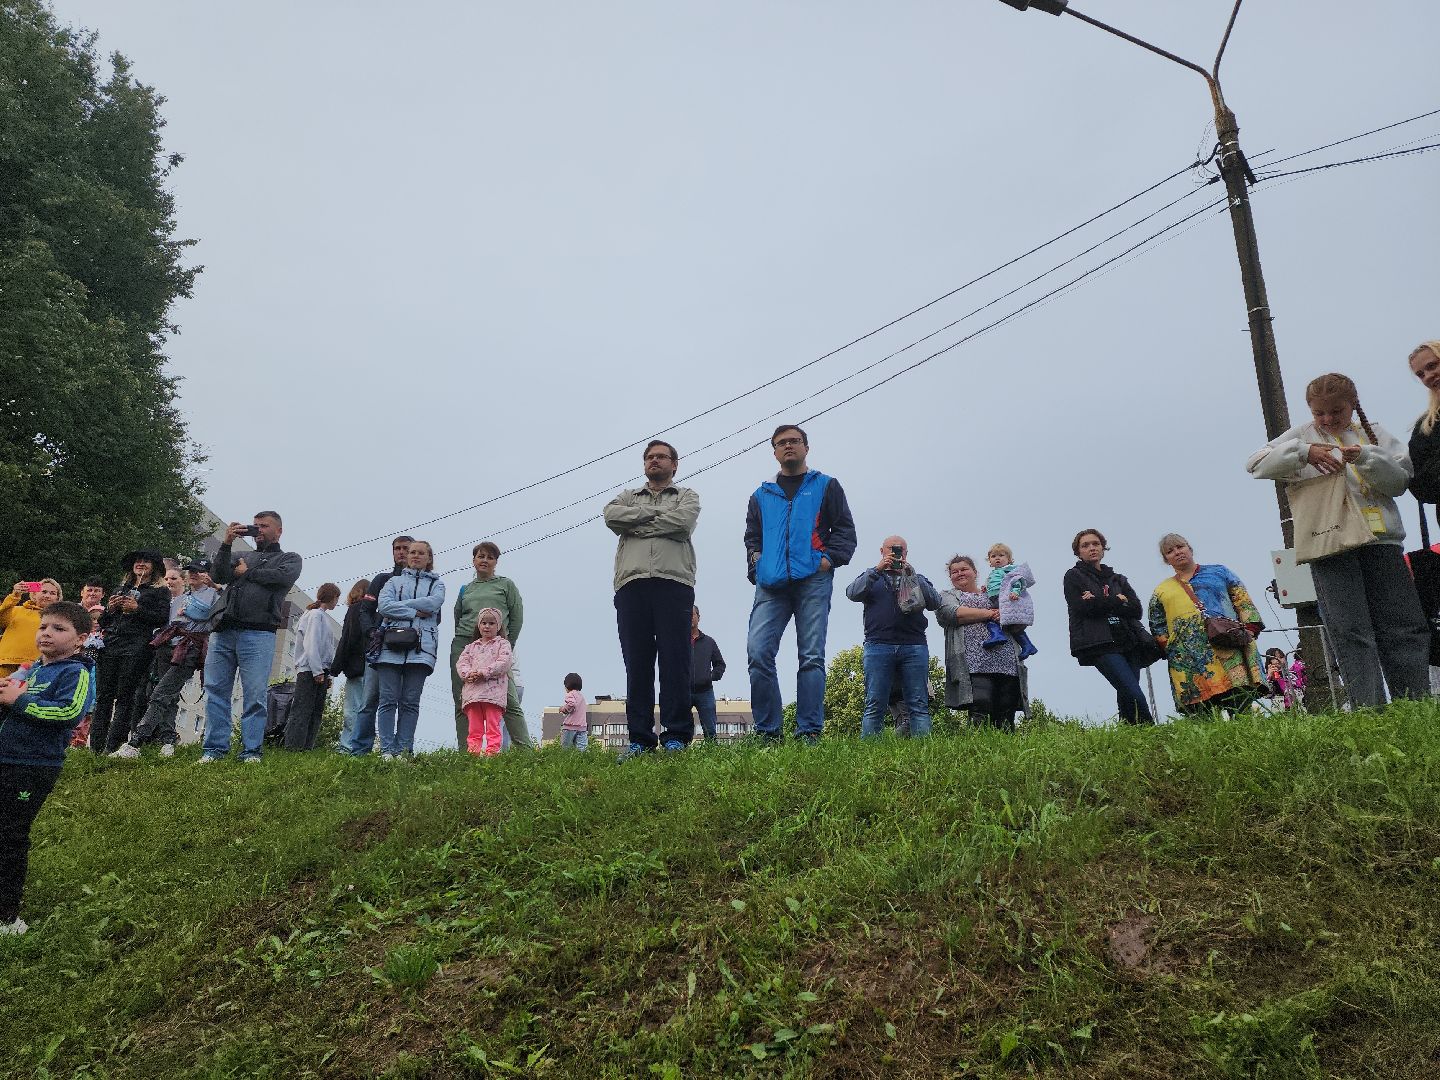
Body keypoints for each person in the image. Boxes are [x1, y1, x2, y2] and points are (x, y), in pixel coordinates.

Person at [1247, 372, 1429, 708]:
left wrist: (1366, 457)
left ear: (1352, 406)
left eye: (1337, 412)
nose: (1328, 419)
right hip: (1330, 544)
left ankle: (1413, 705)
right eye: (1319, 413)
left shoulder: (1373, 435)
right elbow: (1255, 464)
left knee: (1402, 626)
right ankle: (1369, 709)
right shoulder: (1301, 437)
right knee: (1350, 631)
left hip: (1382, 542)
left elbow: (1400, 482)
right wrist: (1304, 452)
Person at [744, 424, 857, 744]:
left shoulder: (826, 486)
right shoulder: (761, 494)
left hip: (813, 581)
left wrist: (828, 560)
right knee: (758, 651)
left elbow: (845, 531)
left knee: (810, 656)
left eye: (794, 441)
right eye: (782, 443)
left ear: (806, 447)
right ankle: (769, 733)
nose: (788, 446)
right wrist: (758, 567)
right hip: (770, 585)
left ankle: (809, 731)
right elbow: (752, 537)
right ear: (775, 452)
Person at [0, 601, 95, 935]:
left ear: (81, 638)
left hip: (33, 766)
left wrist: (19, 701)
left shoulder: (76, 672)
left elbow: (69, 713)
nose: (47, 634)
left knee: (11, 835)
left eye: (59, 629)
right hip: (5, 758)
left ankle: (8, 917)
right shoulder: (34, 669)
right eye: (43, 626)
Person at [603, 440, 700, 758]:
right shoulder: (627, 496)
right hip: (632, 586)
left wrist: (637, 523)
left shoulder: (687, 496)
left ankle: (677, 736)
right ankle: (640, 739)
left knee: (676, 661)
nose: (654, 460)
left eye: (661, 456)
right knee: (638, 663)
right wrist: (657, 517)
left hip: (674, 584)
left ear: (675, 464)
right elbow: (611, 516)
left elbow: (683, 522)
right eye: (649, 457)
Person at [199, 512, 303, 764]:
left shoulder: (289, 558)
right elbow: (218, 575)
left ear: (279, 530)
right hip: (224, 631)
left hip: (259, 633)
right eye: (255, 526)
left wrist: (247, 572)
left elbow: (281, 577)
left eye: (264, 526)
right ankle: (214, 749)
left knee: (255, 695)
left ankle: (251, 751)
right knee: (215, 690)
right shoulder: (239, 554)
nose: (258, 530)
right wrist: (226, 543)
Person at [111, 559, 218, 758]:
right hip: (168, 646)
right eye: (191, 571)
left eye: (199, 571)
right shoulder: (180, 598)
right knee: (168, 695)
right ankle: (167, 740)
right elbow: (167, 620)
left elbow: (208, 617)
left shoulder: (215, 595)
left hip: (190, 648)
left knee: (161, 693)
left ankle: (136, 741)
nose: (194, 574)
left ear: (208, 575)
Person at [1147, 533, 1263, 715]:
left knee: (1240, 704)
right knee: (1202, 714)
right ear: (1166, 560)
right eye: (1170, 551)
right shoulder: (1161, 590)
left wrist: (1250, 628)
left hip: (1228, 647)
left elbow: (1241, 599)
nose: (1177, 552)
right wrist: (1168, 647)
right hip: (1189, 659)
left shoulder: (1219, 572)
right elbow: (1157, 623)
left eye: (1180, 547)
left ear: (1190, 549)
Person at [846, 536, 942, 738]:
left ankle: (923, 750)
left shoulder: (917, 577)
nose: (897, 553)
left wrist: (912, 575)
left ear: (907, 553)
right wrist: (876, 570)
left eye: (901, 550)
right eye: (892, 549)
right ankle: (871, 753)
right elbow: (852, 593)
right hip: (878, 645)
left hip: (914, 645)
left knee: (918, 703)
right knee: (874, 702)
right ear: (882, 551)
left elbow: (935, 602)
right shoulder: (872, 577)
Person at [1062, 529, 1155, 725]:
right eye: (1085, 545)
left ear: (1103, 548)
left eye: (1096, 543)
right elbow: (1082, 608)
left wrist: (1099, 601)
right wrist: (1117, 600)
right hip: (1099, 643)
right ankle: (1152, 732)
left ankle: (1129, 735)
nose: (1092, 548)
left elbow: (1136, 610)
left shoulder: (1118, 579)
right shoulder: (1073, 576)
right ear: (1078, 552)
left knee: (1127, 695)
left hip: (1129, 641)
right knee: (1133, 692)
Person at [449, 542, 531, 752]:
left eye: (490, 557)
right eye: (480, 556)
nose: (484, 560)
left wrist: (505, 645)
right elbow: (458, 616)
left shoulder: (506, 585)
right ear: (473, 560)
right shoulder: (466, 589)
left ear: (496, 562)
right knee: (464, 700)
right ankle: (467, 753)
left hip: (496, 647)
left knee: (509, 699)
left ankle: (526, 751)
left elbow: (517, 618)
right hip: (465, 644)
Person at [340, 537, 412, 756]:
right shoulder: (381, 580)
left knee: (405, 702)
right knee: (369, 699)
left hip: (409, 649)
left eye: (406, 549)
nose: (401, 553)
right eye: (397, 549)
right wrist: (372, 632)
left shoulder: (423, 583)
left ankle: (401, 751)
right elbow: (365, 610)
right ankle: (360, 750)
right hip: (379, 649)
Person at [373, 540, 445, 759]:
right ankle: (386, 750)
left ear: (429, 558)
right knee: (387, 700)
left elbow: (433, 605)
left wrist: (400, 607)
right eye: (412, 552)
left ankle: (403, 751)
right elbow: (383, 606)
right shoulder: (392, 582)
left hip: (422, 649)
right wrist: (415, 611)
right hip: (390, 646)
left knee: (410, 702)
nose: (415, 556)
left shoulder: (438, 584)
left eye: (420, 553)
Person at [936, 555, 1025, 731]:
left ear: (975, 572)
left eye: (964, 569)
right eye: (954, 572)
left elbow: (1018, 616)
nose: (960, 573)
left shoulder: (994, 592)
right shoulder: (947, 595)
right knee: (980, 704)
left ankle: (1008, 751)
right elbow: (953, 614)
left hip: (1006, 659)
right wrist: (991, 614)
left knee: (1006, 708)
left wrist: (1008, 611)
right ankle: (978, 749)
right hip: (973, 661)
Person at [94, 551, 169, 753]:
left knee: (126, 696)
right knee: (103, 696)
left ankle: (113, 746)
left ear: (154, 567)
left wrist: (138, 608)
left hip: (137, 646)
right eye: (138, 561)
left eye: (146, 561)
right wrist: (110, 609)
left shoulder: (159, 591)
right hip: (111, 644)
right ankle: (95, 748)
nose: (141, 564)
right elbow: (103, 622)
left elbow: (162, 618)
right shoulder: (121, 588)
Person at [284, 583, 341, 751]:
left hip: (320, 670)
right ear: (331, 597)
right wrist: (317, 670)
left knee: (315, 711)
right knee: (302, 709)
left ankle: (307, 747)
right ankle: (294, 748)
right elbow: (312, 643)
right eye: (336, 598)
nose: (337, 602)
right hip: (310, 669)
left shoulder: (320, 615)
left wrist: (325, 673)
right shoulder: (315, 615)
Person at [455, 608, 512, 756]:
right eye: (484, 623)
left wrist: (484, 672)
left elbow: (504, 662)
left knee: (493, 727)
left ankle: (492, 754)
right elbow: (461, 664)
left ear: (498, 626)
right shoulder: (471, 647)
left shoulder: (503, 644)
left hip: (493, 695)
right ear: (478, 625)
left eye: (491, 623)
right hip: (473, 695)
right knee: (474, 728)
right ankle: (473, 754)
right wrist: (468, 674)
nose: (487, 626)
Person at [328, 579, 372, 754]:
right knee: (366, 709)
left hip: (355, 666)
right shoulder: (374, 612)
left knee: (352, 709)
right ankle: (362, 747)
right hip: (372, 668)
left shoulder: (355, 610)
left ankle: (347, 747)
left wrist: (335, 667)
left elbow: (347, 639)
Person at [982, 543, 1038, 660]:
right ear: (990, 561)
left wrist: (1015, 592)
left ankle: (997, 635)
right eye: (993, 556)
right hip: (995, 598)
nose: (997, 558)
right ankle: (1027, 645)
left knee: (991, 617)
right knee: (1011, 625)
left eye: (1001, 555)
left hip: (1005, 597)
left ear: (1009, 559)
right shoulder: (993, 574)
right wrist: (985, 589)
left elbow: (1016, 581)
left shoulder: (1009, 570)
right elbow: (993, 585)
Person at [1, 580, 62, 679]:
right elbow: (1, 620)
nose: (47, 596)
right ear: (34, 594)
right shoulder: (16, 610)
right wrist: (15, 595)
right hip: (6, 663)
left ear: (57, 598)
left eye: (52, 593)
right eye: (44, 592)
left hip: (36, 667)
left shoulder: (59, 618)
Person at [1406, 340, 1440, 502]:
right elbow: (1419, 485)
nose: (1428, 376)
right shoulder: (1426, 426)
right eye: (1420, 374)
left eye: (1432, 366)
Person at [689, 606, 726, 742]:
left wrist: (710, 677)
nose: (690, 618)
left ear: (698, 617)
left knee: (710, 729)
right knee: (682, 729)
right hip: (683, 692)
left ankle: (712, 755)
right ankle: (680, 755)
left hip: (705, 692)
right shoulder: (678, 642)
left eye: (692, 614)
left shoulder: (709, 642)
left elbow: (720, 664)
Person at [560, 673, 588, 749]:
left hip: (570, 726)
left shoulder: (570, 694)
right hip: (582, 727)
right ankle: (581, 761)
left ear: (567, 685)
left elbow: (571, 704)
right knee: (582, 749)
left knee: (566, 748)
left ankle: (565, 760)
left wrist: (563, 709)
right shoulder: (581, 696)